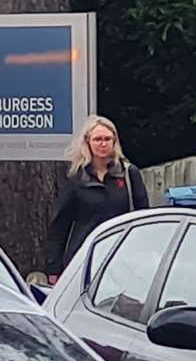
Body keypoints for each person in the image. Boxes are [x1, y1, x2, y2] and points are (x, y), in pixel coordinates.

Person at [46, 115, 149, 284]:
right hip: (83, 258)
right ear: (87, 142)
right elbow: (60, 225)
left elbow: (143, 217)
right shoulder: (75, 177)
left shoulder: (129, 174)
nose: (103, 144)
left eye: (107, 139)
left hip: (122, 257)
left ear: (114, 141)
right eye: (97, 139)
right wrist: (53, 269)